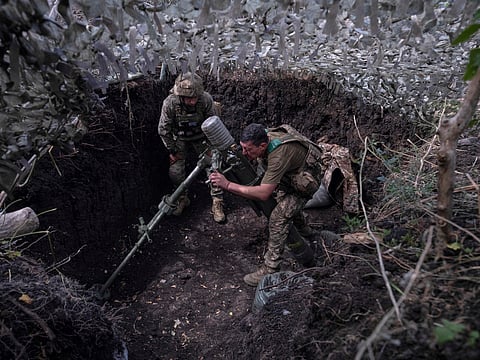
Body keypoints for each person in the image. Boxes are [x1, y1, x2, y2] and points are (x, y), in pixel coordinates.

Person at [209, 123, 324, 286]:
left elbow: (263, 194)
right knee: (284, 203)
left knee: (278, 218)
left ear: (263, 145)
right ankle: (306, 231)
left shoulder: (278, 155)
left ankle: (271, 268)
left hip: (305, 180)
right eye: (242, 148)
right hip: (290, 175)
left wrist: (227, 185)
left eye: (248, 150)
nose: (244, 153)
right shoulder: (264, 137)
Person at [158, 72, 225, 223]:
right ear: (180, 96)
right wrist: (173, 151)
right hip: (180, 139)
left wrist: (212, 147)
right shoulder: (170, 103)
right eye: (189, 98)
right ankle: (182, 197)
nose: (193, 102)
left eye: (195, 98)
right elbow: (163, 130)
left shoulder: (206, 100)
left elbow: (214, 123)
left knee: (214, 167)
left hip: (202, 137)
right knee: (175, 171)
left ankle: (217, 201)